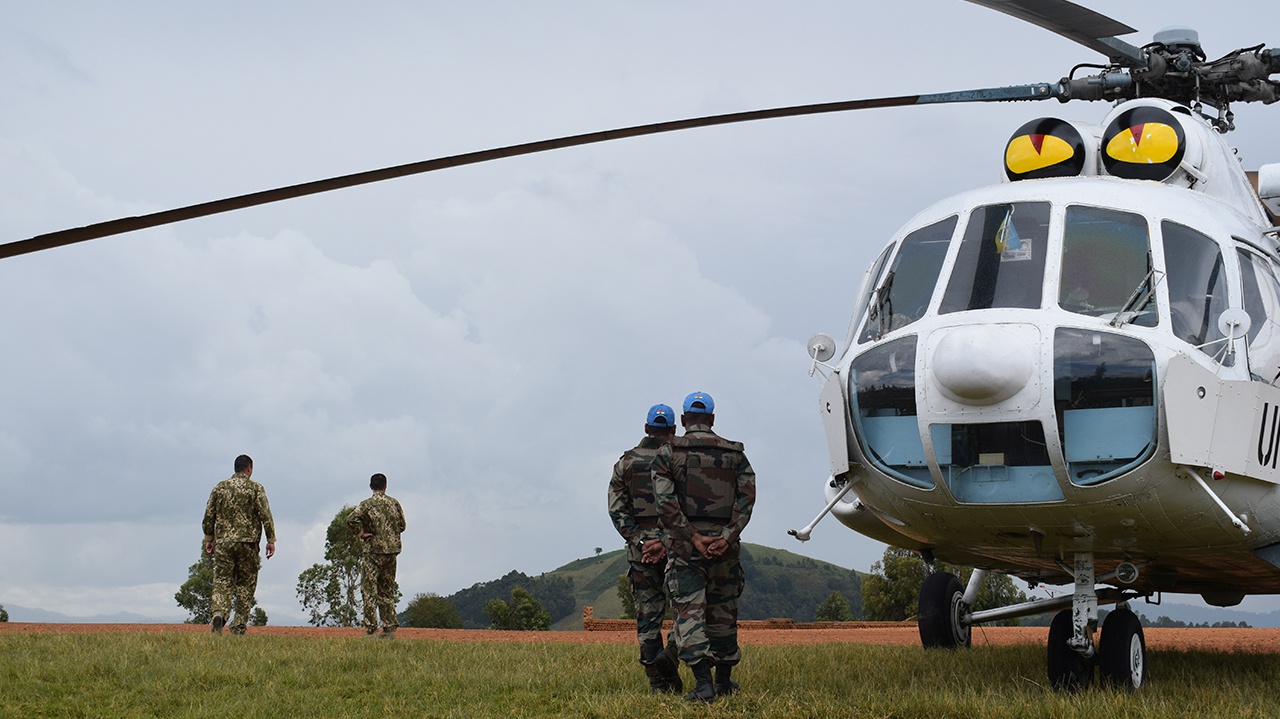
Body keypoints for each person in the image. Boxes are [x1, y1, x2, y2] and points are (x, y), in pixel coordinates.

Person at [652, 391, 756, 702]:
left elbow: (665, 504)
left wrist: (694, 537)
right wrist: (726, 536)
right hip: (726, 550)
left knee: (690, 614)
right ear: (711, 419)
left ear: (683, 421)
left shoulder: (668, 454)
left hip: (686, 550)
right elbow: (746, 499)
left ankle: (704, 685)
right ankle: (724, 683)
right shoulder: (735, 454)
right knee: (723, 612)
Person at [607, 403, 683, 694]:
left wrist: (642, 541)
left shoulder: (626, 463)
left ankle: (657, 685)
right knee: (686, 612)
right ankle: (671, 657)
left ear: (646, 428)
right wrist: (664, 540)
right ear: (674, 430)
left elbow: (617, 510)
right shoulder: (680, 461)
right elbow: (688, 507)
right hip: (677, 548)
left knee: (648, 616)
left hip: (641, 554)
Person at [202, 454, 276, 635]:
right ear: (249, 469)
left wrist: (209, 538)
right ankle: (238, 626)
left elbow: (208, 515)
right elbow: (265, 514)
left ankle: (219, 613)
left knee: (222, 581)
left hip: (224, 543)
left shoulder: (219, 488)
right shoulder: (256, 488)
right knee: (245, 584)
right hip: (248, 544)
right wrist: (271, 539)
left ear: (235, 468)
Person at [347, 472, 407, 638]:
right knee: (387, 591)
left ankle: (372, 629)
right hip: (391, 553)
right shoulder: (394, 503)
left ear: (371, 486)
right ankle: (389, 629)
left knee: (368, 591)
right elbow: (402, 525)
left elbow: (351, 519)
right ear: (386, 486)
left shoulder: (366, 505)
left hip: (373, 552)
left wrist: (361, 534)